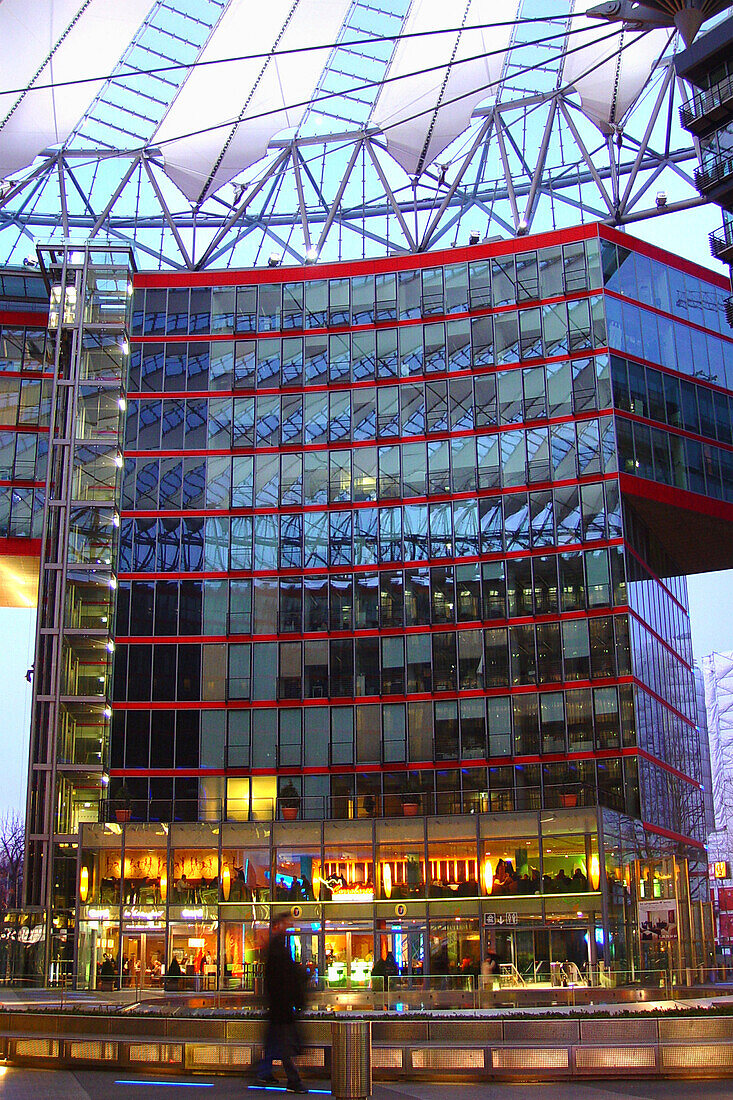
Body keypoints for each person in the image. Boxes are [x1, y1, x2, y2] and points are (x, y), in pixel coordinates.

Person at [255, 914, 308, 1094]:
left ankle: (263, 1071)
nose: (289, 926)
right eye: (286, 923)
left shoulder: (276, 947)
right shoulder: (279, 949)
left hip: (277, 1006)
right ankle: (293, 1080)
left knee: (274, 1041)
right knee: (284, 1045)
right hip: (281, 1006)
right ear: (278, 925)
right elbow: (285, 977)